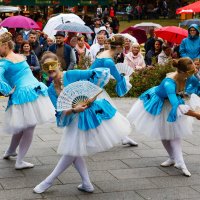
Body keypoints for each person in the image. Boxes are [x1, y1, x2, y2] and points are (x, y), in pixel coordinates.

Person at [33, 52, 131, 194]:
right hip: (75, 118)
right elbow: (60, 111)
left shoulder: (71, 75)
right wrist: (73, 109)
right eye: (46, 67)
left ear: (59, 65)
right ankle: (86, 183)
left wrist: (91, 96)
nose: (50, 69)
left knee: (71, 151)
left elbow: (96, 74)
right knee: (74, 151)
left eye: (52, 65)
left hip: (91, 115)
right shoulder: (50, 90)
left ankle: (49, 180)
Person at [127, 57, 200, 177]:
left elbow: (197, 85)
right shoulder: (169, 83)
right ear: (182, 71)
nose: (194, 73)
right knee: (164, 133)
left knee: (175, 135)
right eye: (192, 72)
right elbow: (176, 106)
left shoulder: (189, 76)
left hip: (173, 100)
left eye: (195, 70)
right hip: (160, 102)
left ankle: (179, 161)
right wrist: (196, 114)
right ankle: (175, 159)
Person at [0, 32, 54, 169]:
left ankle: (11, 151)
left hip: (27, 92)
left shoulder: (5, 61)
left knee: (23, 125)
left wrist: (7, 90)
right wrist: (7, 90)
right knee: (28, 126)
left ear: (5, 45)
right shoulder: (18, 57)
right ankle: (19, 161)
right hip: (30, 91)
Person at [90, 35, 138, 146]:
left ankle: (123, 137)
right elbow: (119, 78)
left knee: (107, 112)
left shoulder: (104, 54)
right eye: (124, 46)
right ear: (119, 47)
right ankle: (91, 138)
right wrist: (126, 79)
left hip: (93, 87)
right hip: (93, 90)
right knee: (108, 113)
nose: (125, 48)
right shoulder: (108, 61)